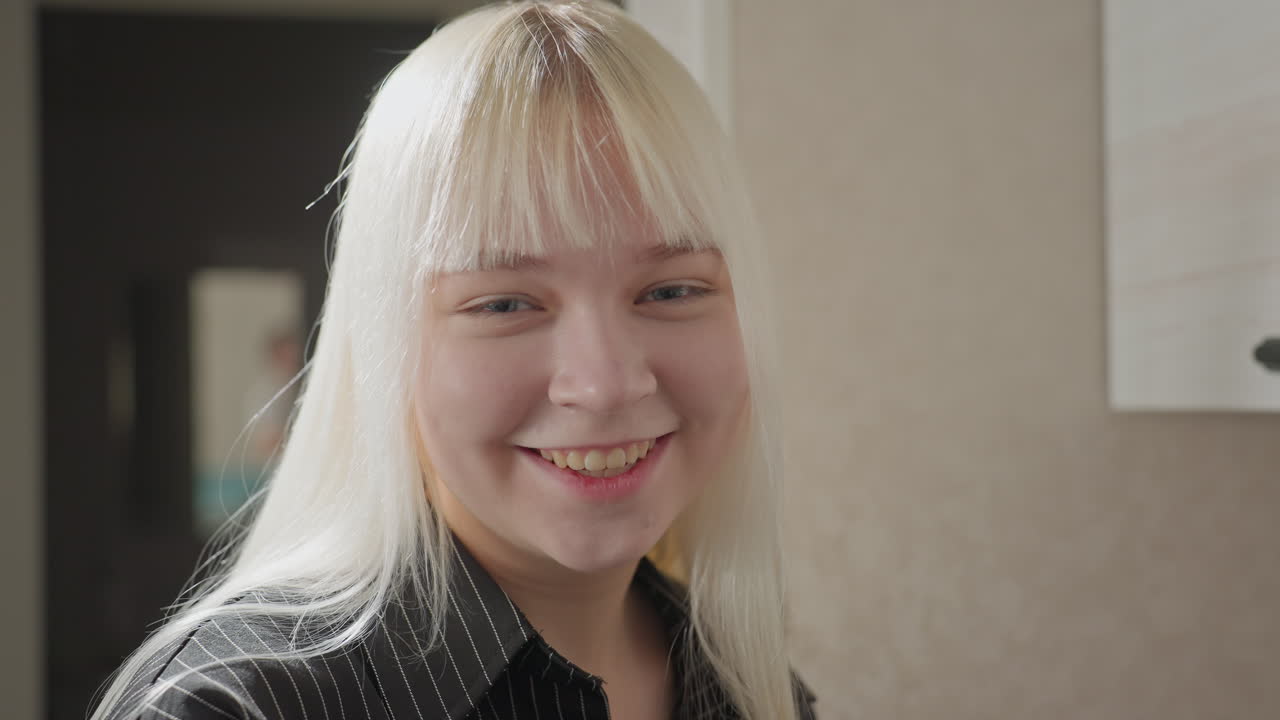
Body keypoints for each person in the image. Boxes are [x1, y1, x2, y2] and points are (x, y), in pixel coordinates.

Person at [92, 1, 816, 718]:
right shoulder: (235, 708)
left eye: (670, 290)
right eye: (505, 304)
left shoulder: (751, 691)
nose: (603, 385)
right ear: (388, 343)